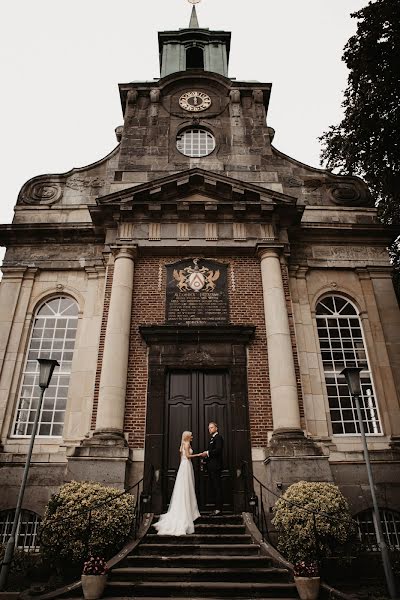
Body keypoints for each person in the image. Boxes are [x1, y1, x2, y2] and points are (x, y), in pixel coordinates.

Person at [154, 431, 201, 536]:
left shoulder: (182, 444)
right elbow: (188, 456)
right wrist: (198, 454)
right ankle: (189, 512)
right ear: (188, 437)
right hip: (187, 465)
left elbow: (181, 458)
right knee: (187, 488)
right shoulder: (187, 444)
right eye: (191, 435)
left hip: (183, 467)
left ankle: (188, 510)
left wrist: (181, 469)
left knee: (183, 488)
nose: (192, 436)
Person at [200, 422, 224, 515]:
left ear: (216, 428)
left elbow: (218, 450)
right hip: (211, 467)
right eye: (209, 428)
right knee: (214, 487)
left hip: (216, 467)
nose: (210, 429)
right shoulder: (212, 438)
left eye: (211, 427)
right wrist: (206, 459)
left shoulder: (218, 438)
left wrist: (207, 453)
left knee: (217, 487)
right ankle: (216, 508)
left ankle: (218, 509)